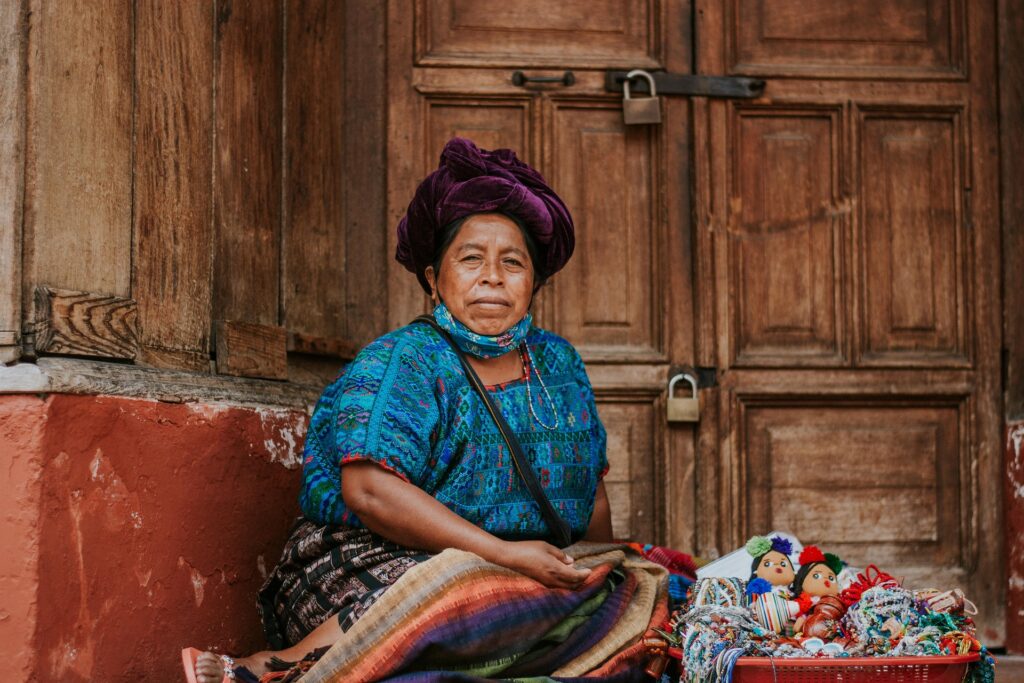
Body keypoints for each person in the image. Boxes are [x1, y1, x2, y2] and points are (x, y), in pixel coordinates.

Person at [185, 137, 622, 683]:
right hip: (369, 564)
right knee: (469, 587)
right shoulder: (402, 360)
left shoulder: (559, 365)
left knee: (618, 595)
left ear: (534, 283)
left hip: (513, 569)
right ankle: (270, 671)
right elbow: (368, 491)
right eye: (470, 260)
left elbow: (589, 490)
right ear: (434, 281)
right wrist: (504, 557)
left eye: (513, 263)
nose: (493, 276)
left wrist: (601, 563)